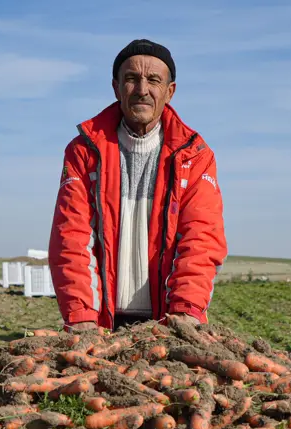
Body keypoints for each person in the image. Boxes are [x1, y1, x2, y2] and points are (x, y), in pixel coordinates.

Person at [49, 39, 227, 332]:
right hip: (100, 324)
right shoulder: (83, 152)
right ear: (116, 88)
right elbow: (71, 236)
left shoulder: (195, 156)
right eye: (131, 79)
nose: (142, 89)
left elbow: (201, 238)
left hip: (169, 322)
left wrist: (185, 311)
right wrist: (81, 316)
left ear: (170, 92)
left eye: (154, 80)